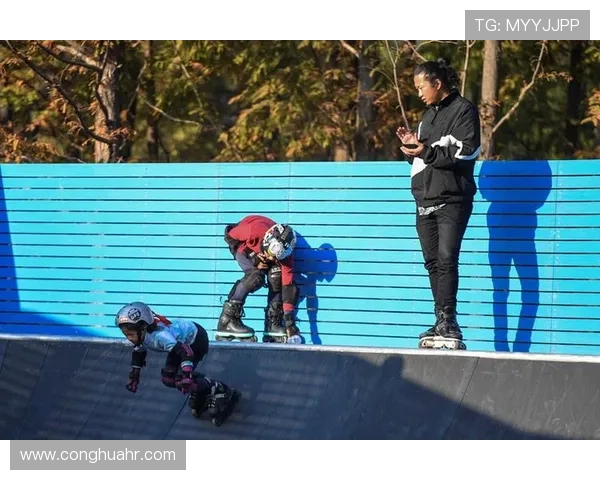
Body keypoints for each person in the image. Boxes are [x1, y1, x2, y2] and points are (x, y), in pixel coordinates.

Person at [395, 58, 481, 346]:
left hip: (452, 199)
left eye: (422, 87)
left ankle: (449, 320)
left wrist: (425, 151)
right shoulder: (427, 117)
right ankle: (439, 319)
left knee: (446, 259)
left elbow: (466, 152)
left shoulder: (464, 110)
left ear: (437, 83)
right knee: (432, 263)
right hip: (425, 199)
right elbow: (423, 157)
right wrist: (412, 147)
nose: (419, 93)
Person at [115, 301, 239, 423]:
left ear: (143, 328)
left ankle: (217, 387)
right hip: (179, 346)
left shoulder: (160, 336)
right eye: (126, 335)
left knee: (181, 380)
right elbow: (139, 353)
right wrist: (134, 376)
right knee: (168, 379)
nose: (129, 338)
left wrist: (186, 374)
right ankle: (200, 386)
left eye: (130, 334)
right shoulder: (140, 337)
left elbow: (186, 352)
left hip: (196, 340)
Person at [218, 214, 302, 344]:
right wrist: (254, 257)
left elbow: (288, 288)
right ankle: (227, 320)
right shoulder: (252, 230)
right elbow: (229, 235)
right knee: (255, 277)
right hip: (243, 245)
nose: (272, 259)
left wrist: (290, 322)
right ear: (267, 241)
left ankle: (272, 324)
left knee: (277, 276)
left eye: (276, 257)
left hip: (261, 247)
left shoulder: (285, 255)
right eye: (271, 255)